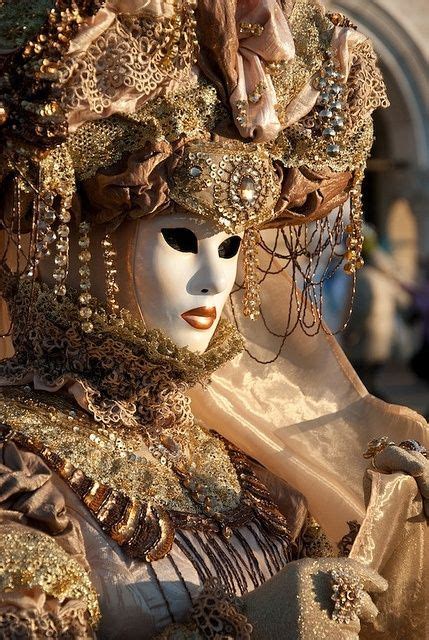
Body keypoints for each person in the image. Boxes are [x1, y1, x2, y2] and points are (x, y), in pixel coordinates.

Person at [0, 1, 427, 639]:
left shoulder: (236, 460)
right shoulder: (19, 462)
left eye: (230, 247)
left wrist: (394, 532)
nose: (214, 278)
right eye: (181, 239)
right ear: (90, 247)